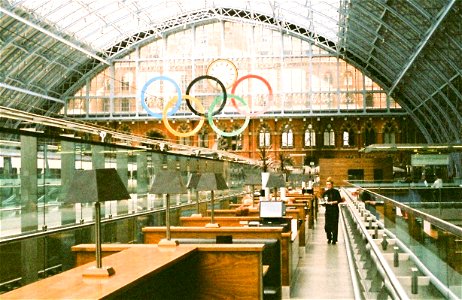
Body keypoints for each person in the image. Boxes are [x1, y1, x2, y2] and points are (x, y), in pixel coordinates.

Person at [322, 177, 342, 245]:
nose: (328, 186)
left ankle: (334, 239)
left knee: (334, 225)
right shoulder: (325, 193)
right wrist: (324, 203)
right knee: (327, 225)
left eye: (329, 184)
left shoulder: (336, 192)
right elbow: (324, 201)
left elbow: (339, 200)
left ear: (332, 184)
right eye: (327, 184)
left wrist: (332, 202)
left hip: (334, 210)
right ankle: (329, 238)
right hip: (328, 211)